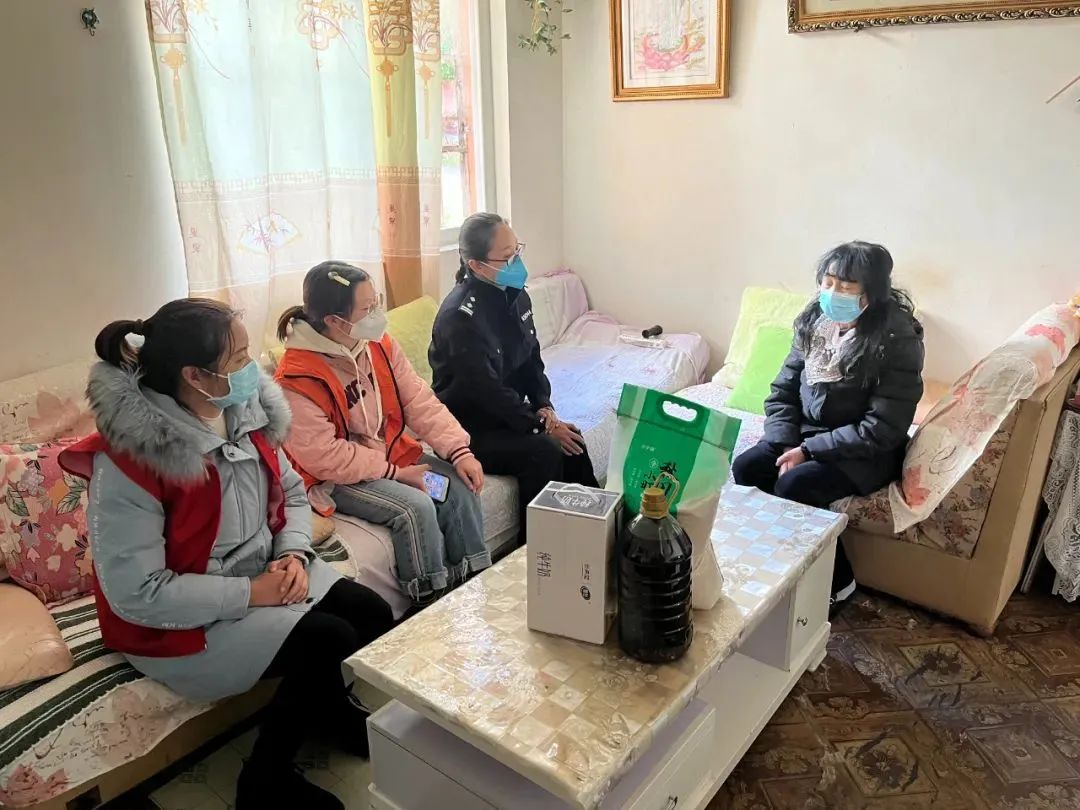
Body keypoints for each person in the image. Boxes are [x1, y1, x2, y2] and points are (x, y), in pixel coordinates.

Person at [59, 299, 396, 810]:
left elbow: (293, 493)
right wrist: (251, 592)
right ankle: (264, 780)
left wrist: (293, 554)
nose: (251, 369)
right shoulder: (131, 460)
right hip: (180, 618)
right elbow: (138, 593)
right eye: (238, 359)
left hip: (261, 573)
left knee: (370, 612)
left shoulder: (245, 412)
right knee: (328, 638)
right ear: (195, 375)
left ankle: (325, 711)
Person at [275, 262, 489, 603]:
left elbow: (417, 398)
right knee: (415, 508)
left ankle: (475, 586)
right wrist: (396, 474)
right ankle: (429, 600)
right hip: (337, 478)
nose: (377, 314)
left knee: (456, 488)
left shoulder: (377, 344)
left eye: (376, 302)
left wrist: (458, 450)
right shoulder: (297, 379)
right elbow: (324, 456)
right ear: (334, 321)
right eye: (367, 308)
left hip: (392, 456)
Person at [731, 241, 924, 611]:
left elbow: (881, 427)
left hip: (865, 450)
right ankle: (784, 560)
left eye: (846, 287)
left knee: (796, 484)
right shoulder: (813, 323)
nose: (833, 293)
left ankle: (840, 581)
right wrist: (785, 444)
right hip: (806, 435)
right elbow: (782, 391)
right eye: (828, 283)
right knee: (748, 466)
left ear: (872, 293)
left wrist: (807, 452)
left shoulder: (897, 339)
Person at [429, 213, 599, 542]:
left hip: (507, 414)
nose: (517, 263)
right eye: (507, 257)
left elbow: (531, 360)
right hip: (471, 428)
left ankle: (593, 535)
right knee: (544, 450)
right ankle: (537, 548)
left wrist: (544, 406)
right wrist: (539, 426)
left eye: (517, 251)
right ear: (476, 266)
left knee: (573, 442)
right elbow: (486, 392)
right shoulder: (459, 319)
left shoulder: (516, 294)